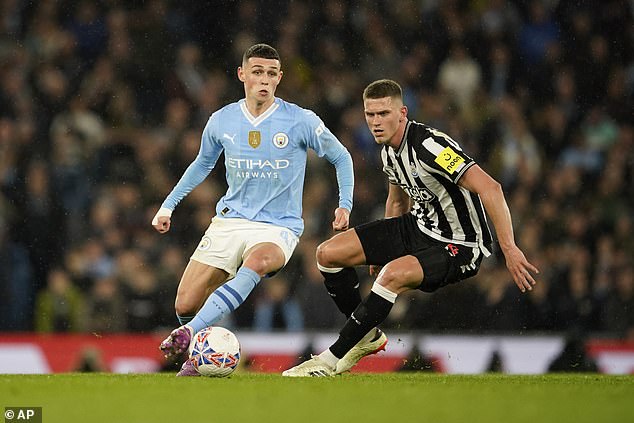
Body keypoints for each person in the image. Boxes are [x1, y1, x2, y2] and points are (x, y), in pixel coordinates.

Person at [283, 79, 538, 377]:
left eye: (383, 114)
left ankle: (328, 361)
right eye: (370, 115)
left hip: (459, 245)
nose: (376, 123)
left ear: (402, 113)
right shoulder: (388, 151)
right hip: (418, 227)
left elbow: (491, 188)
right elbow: (396, 200)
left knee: (392, 276)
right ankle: (367, 335)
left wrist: (508, 247)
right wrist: (381, 252)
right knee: (327, 254)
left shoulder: (431, 146)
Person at [154, 43, 354, 376]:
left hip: (279, 227)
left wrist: (344, 204)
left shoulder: (301, 120)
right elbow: (202, 164)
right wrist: (168, 206)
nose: (264, 79)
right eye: (257, 72)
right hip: (230, 222)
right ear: (242, 74)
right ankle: (198, 354)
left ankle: (188, 335)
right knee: (185, 303)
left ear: (279, 78)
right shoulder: (222, 120)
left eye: (271, 73)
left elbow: (342, 157)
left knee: (259, 261)